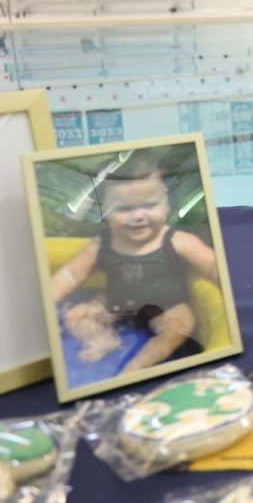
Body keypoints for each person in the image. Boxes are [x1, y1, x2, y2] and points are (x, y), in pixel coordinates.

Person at [51, 153, 219, 373]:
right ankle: (101, 340)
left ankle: (137, 365)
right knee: (75, 315)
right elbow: (72, 275)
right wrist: (49, 298)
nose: (138, 216)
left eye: (149, 205)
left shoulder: (177, 241)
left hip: (166, 307)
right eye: (124, 208)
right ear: (108, 210)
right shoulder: (103, 243)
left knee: (180, 325)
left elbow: (212, 265)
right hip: (114, 304)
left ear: (166, 205)